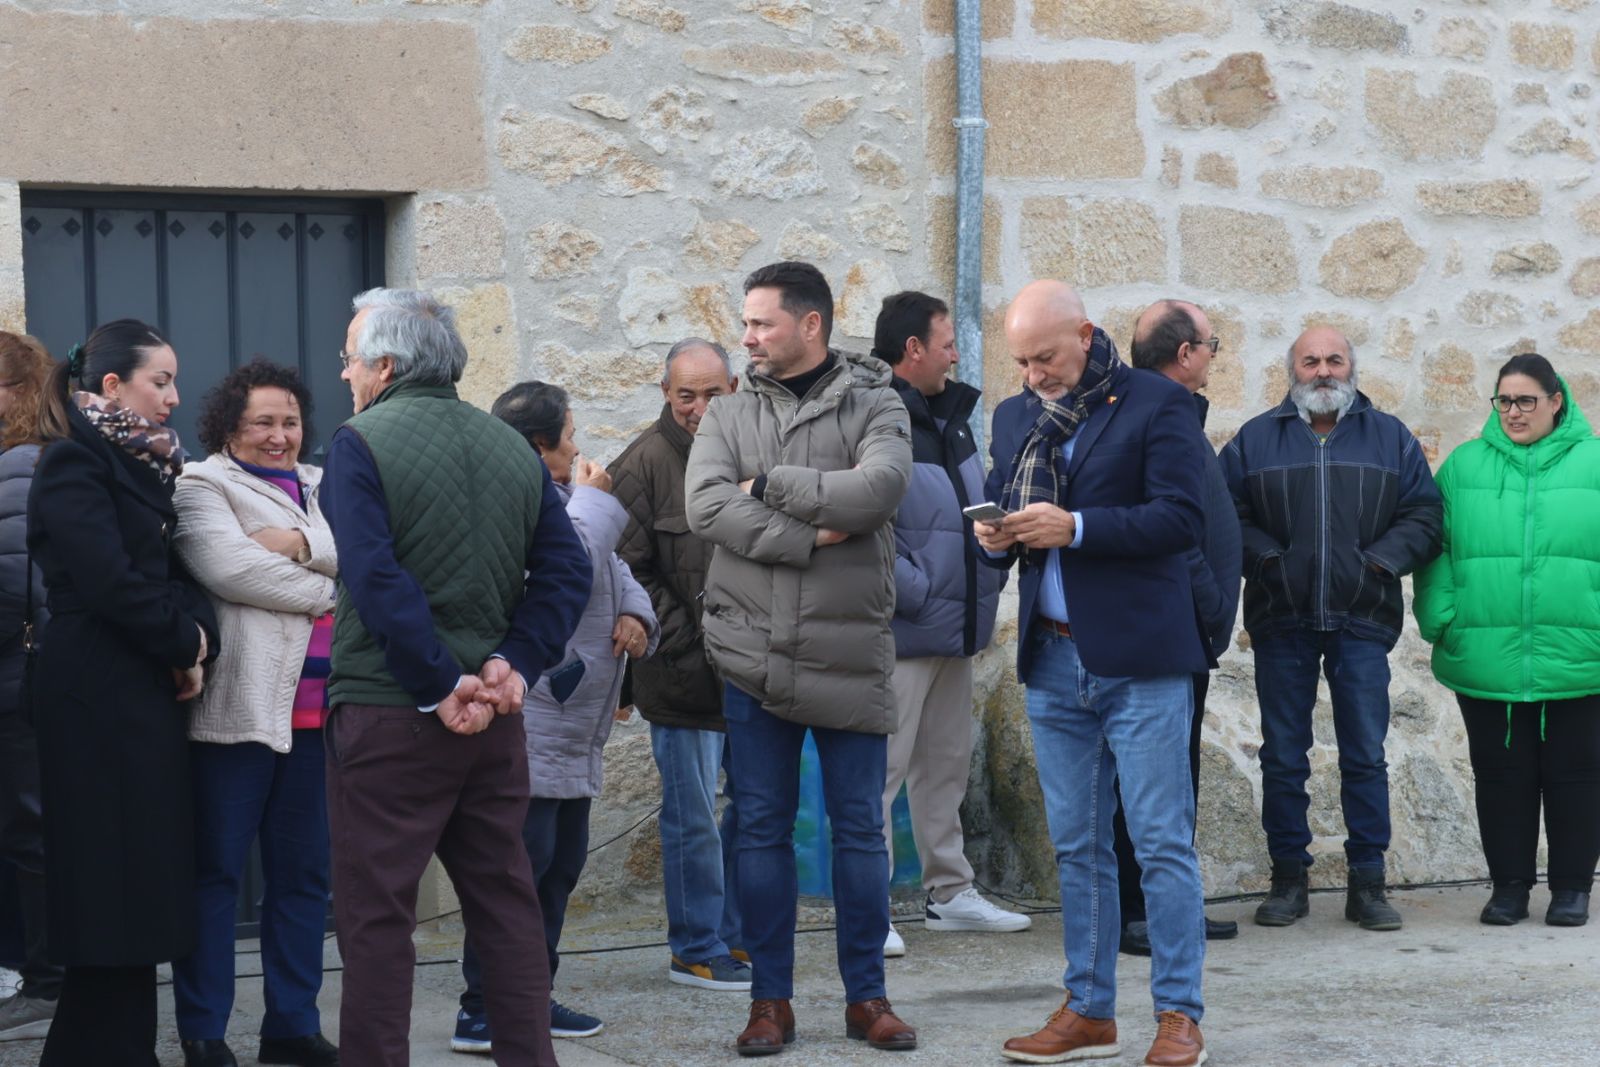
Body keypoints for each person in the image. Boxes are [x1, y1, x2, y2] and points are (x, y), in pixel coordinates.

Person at [321, 288, 591, 1067]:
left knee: (377, 916)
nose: (344, 373)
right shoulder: (513, 447)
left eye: (351, 358)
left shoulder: (358, 442)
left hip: (388, 713)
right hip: (493, 717)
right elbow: (566, 571)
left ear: (385, 365)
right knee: (507, 904)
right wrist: (513, 663)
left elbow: (374, 577)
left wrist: (442, 685)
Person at [685, 261, 916, 1056]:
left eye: (762, 322)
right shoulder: (727, 412)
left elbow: (879, 490)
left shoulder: (877, 401)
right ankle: (769, 1002)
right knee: (760, 831)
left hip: (849, 653)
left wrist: (768, 483)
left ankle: (868, 998)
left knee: (859, 832)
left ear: (810, 324)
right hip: (752, 655)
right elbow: (705, 505)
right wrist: (808, 534)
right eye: (746, 322)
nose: (747, 336)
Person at [980, 281, 1211, 1067]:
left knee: (1160, 842)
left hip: (1141, 658)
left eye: (1045, 356)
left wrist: (1075, 527)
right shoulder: (1014, 415)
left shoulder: (1156, 403)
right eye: (1021, 360)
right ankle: (1088, 1009)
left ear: (1084, 334)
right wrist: (997, 537)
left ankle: (1178, 1013)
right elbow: (1006, 502)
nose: (1033, 374)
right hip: (1052, 658)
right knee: (1078, 846)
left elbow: (1182, 517)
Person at [26, 320, 219, 1066]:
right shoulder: (73, 461)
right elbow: (109, 582)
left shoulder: (142, 462)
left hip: (135, 685)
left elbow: (170, 574)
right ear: (113, 385)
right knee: (110, 877)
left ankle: (111, 1048)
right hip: (95, 693)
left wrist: (197, 637)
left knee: (136, 878)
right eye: (160, 381)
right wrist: (181, 643)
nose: (173, 397)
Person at [452, 381, 659, 1051]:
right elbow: (564, 566)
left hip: (576, 729)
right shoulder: (505, 502)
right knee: (518, 872)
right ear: (538, 447)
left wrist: (636, 614)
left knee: (558, 868)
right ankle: (482, 1008)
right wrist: (598, 501)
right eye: (568, 436)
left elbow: (613, 569)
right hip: (535, 718)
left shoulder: (569, 499)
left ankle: (529, 997)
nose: (577, 448)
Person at [1221, 325, 1441, 933]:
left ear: (1352, 368)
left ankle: (1367, 883)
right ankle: (1288, 880)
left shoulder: (1390, 437)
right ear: (1292, 371)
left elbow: (1424, 515)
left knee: (1364, 756)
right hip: (1281, 617)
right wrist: (1269, 560)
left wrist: (1380, 562)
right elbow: (1225, 514)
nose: (1323, 371)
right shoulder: (1254, 440)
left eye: (1335, 360)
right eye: (1311, 361)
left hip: (1362, 617)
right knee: (1283, 758)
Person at [170, 360, 339, 1067]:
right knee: (213, 875)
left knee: (303, 879)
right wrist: (336, 590)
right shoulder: (201, 485)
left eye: (290, 422)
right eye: (262, 422)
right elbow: (231, 570)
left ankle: (291, 1026)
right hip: (234, 719)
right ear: (228, 427)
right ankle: (204, 1031)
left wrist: (300, 545)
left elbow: (377, 555)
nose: (279, 436)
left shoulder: (325, 485)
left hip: (319, 721)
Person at [1414, 352, 1600, 928]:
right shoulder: (1464, 466)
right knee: (1500, 777)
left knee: (1576, 775)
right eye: (1504, 401)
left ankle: (1571, 888)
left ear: (1556, 401)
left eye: (1526, 400)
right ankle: (1509, 888)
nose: (1513, 412)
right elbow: (1434, 547)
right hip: (1485, 652)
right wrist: (1442, 616)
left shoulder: (1595, 462)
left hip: (1581, 653)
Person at [869, 291, 1023, 959]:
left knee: (945, 768)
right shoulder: (873, 416)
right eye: (947, 342)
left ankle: (950, 893)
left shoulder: (952, 416)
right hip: (904, 630)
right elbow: (866, 524)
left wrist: (989, 568)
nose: (957, 355)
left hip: (957, 627)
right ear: (913, 349)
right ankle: (868, 909)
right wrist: (918, 592)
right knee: (880, 774)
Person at [608, 338, 751, 992]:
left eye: (711, 393)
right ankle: (695, 946)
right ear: (665, 394)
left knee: (754, 809)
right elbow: (623, 569)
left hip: (751, 671)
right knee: (693, 818)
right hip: (682, 670)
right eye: (685, 395)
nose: (698, 407)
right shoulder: (641, 464)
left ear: (734, 388)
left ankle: (737, 934)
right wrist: (689, 637)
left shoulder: (752, 449)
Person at [1116, 299, 1244, 957]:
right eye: (1211, 344)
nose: (1213, 355)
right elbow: (1171, 527)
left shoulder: (1172, 411)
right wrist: (1209, 600)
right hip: (1173, 624)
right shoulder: (1153, 416)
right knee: (1149, 780)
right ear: (1186, 353)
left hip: (1190, 627)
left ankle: (1170, 907)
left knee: (1176, 773)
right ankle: (1138, 912)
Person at [0, 332, 61, 1042]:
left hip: (20, 680)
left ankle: (45, 981)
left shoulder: (19, 464)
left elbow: (14, 584)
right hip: (26, 676)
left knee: (30, 829)